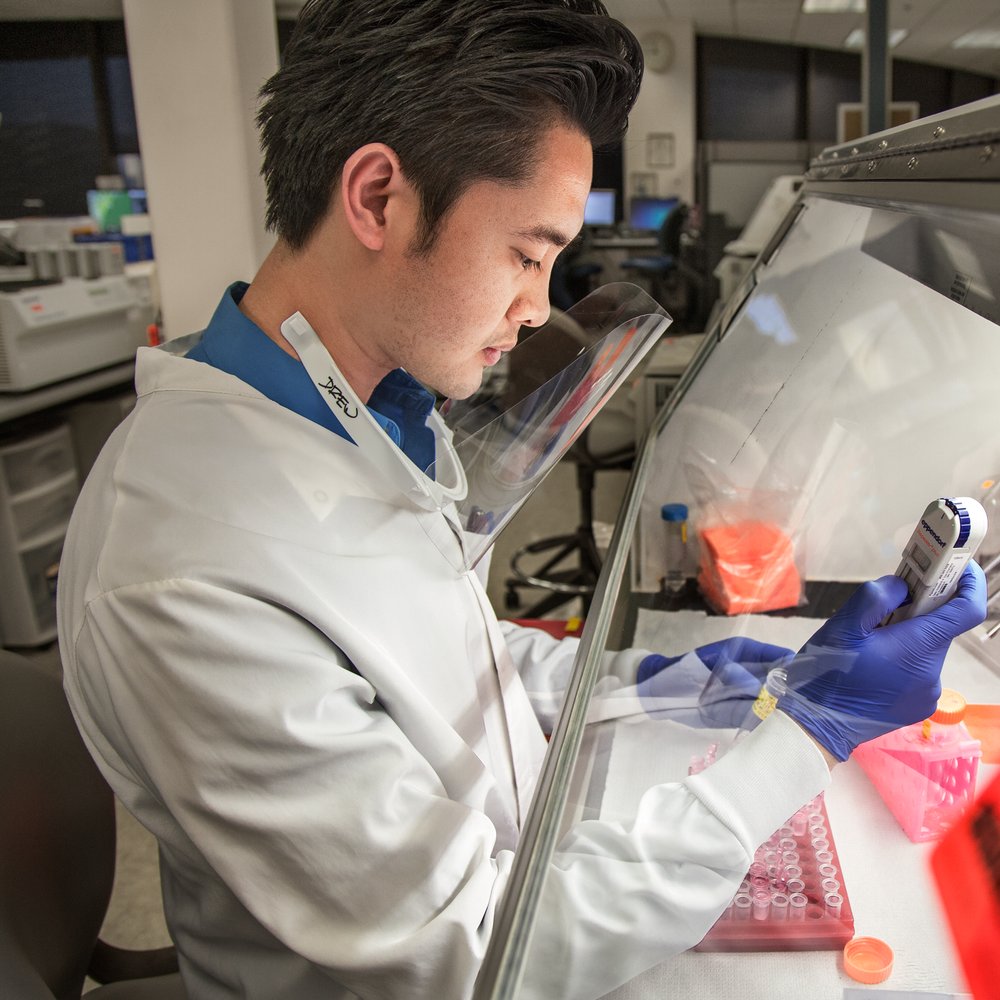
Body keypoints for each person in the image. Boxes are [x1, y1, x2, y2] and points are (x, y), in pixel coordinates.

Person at [57, 2, 986, 999]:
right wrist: (809, 734)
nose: (540, 306)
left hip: (512, 840)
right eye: (527, 253)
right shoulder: (190, 571)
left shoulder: (341, 419)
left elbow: (438, 662)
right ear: (377, 198)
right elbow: (476, 953)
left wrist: (662, 682)